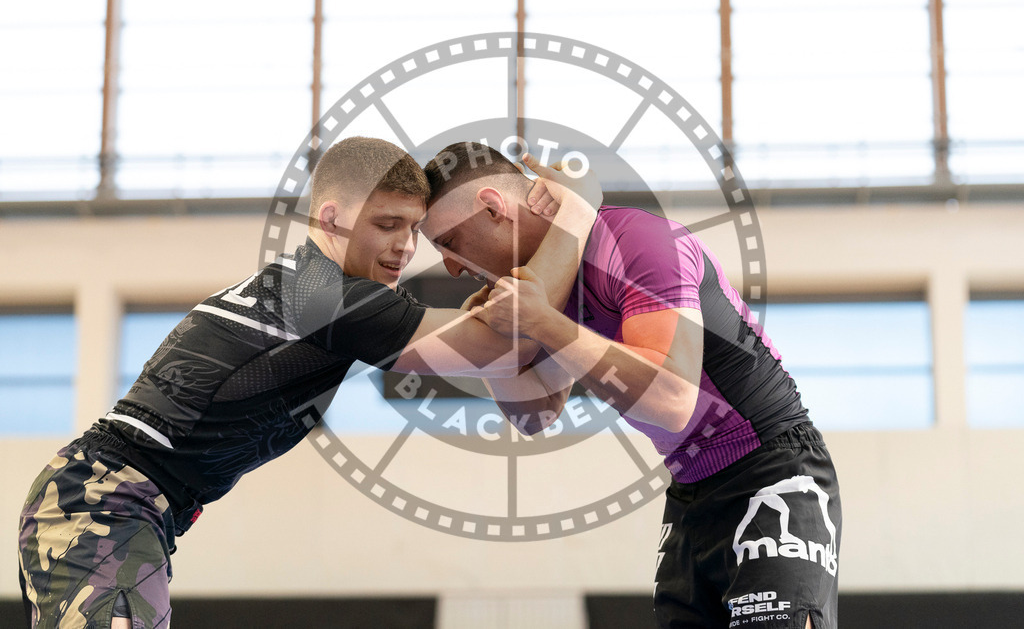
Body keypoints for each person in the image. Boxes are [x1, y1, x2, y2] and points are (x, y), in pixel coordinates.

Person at [17, 136, 597, 629]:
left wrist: (526, 308)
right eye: (387, 225)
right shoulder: (324, 298)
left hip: (127, 508)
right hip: (100, 501)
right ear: (332, 219)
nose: (406, 246)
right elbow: (499, 340)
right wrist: (572, 221)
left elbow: (530, 401)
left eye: (416, 229)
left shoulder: (329, 294)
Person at [421, 141, 842, 629]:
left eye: (448, 243)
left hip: (771, 467)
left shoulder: (637, 240)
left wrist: (540, 322)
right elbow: (534, 414)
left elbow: (672, 399)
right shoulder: (552, 287)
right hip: (690, 490)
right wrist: (498, 350)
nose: (451, 267)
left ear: (494, 208)